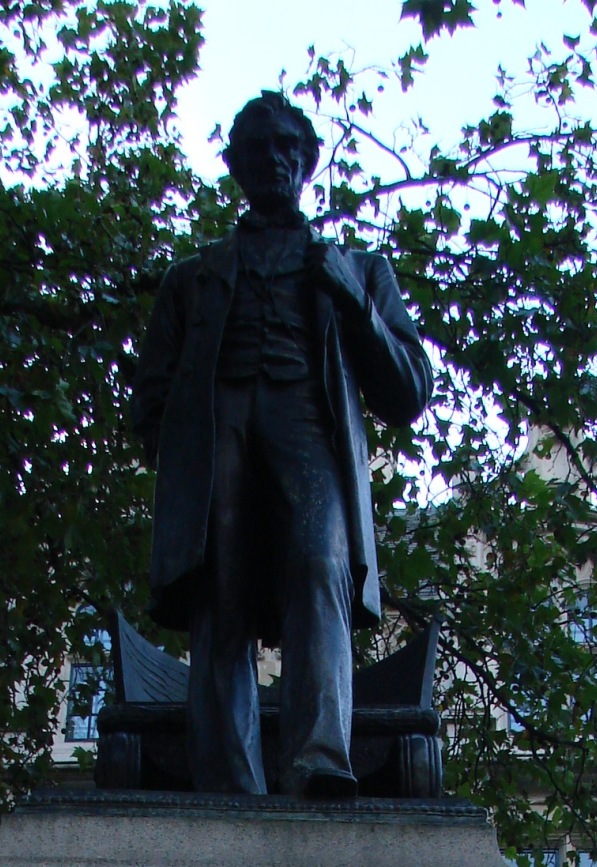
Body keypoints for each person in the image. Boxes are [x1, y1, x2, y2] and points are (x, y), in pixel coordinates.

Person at [131, 91, 432, 799]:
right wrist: (177, 460)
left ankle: (319, 758)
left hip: (307, 428)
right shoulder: (191, 277)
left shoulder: (357, 269)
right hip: (217, 433)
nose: (273, 159)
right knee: (220, 592)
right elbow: (151, 397)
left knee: (320, 566)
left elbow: (408, 390)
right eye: (258, 148)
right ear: (235, 164)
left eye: (286, 147)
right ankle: (227, 779)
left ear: (307, 162)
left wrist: (355, 302)